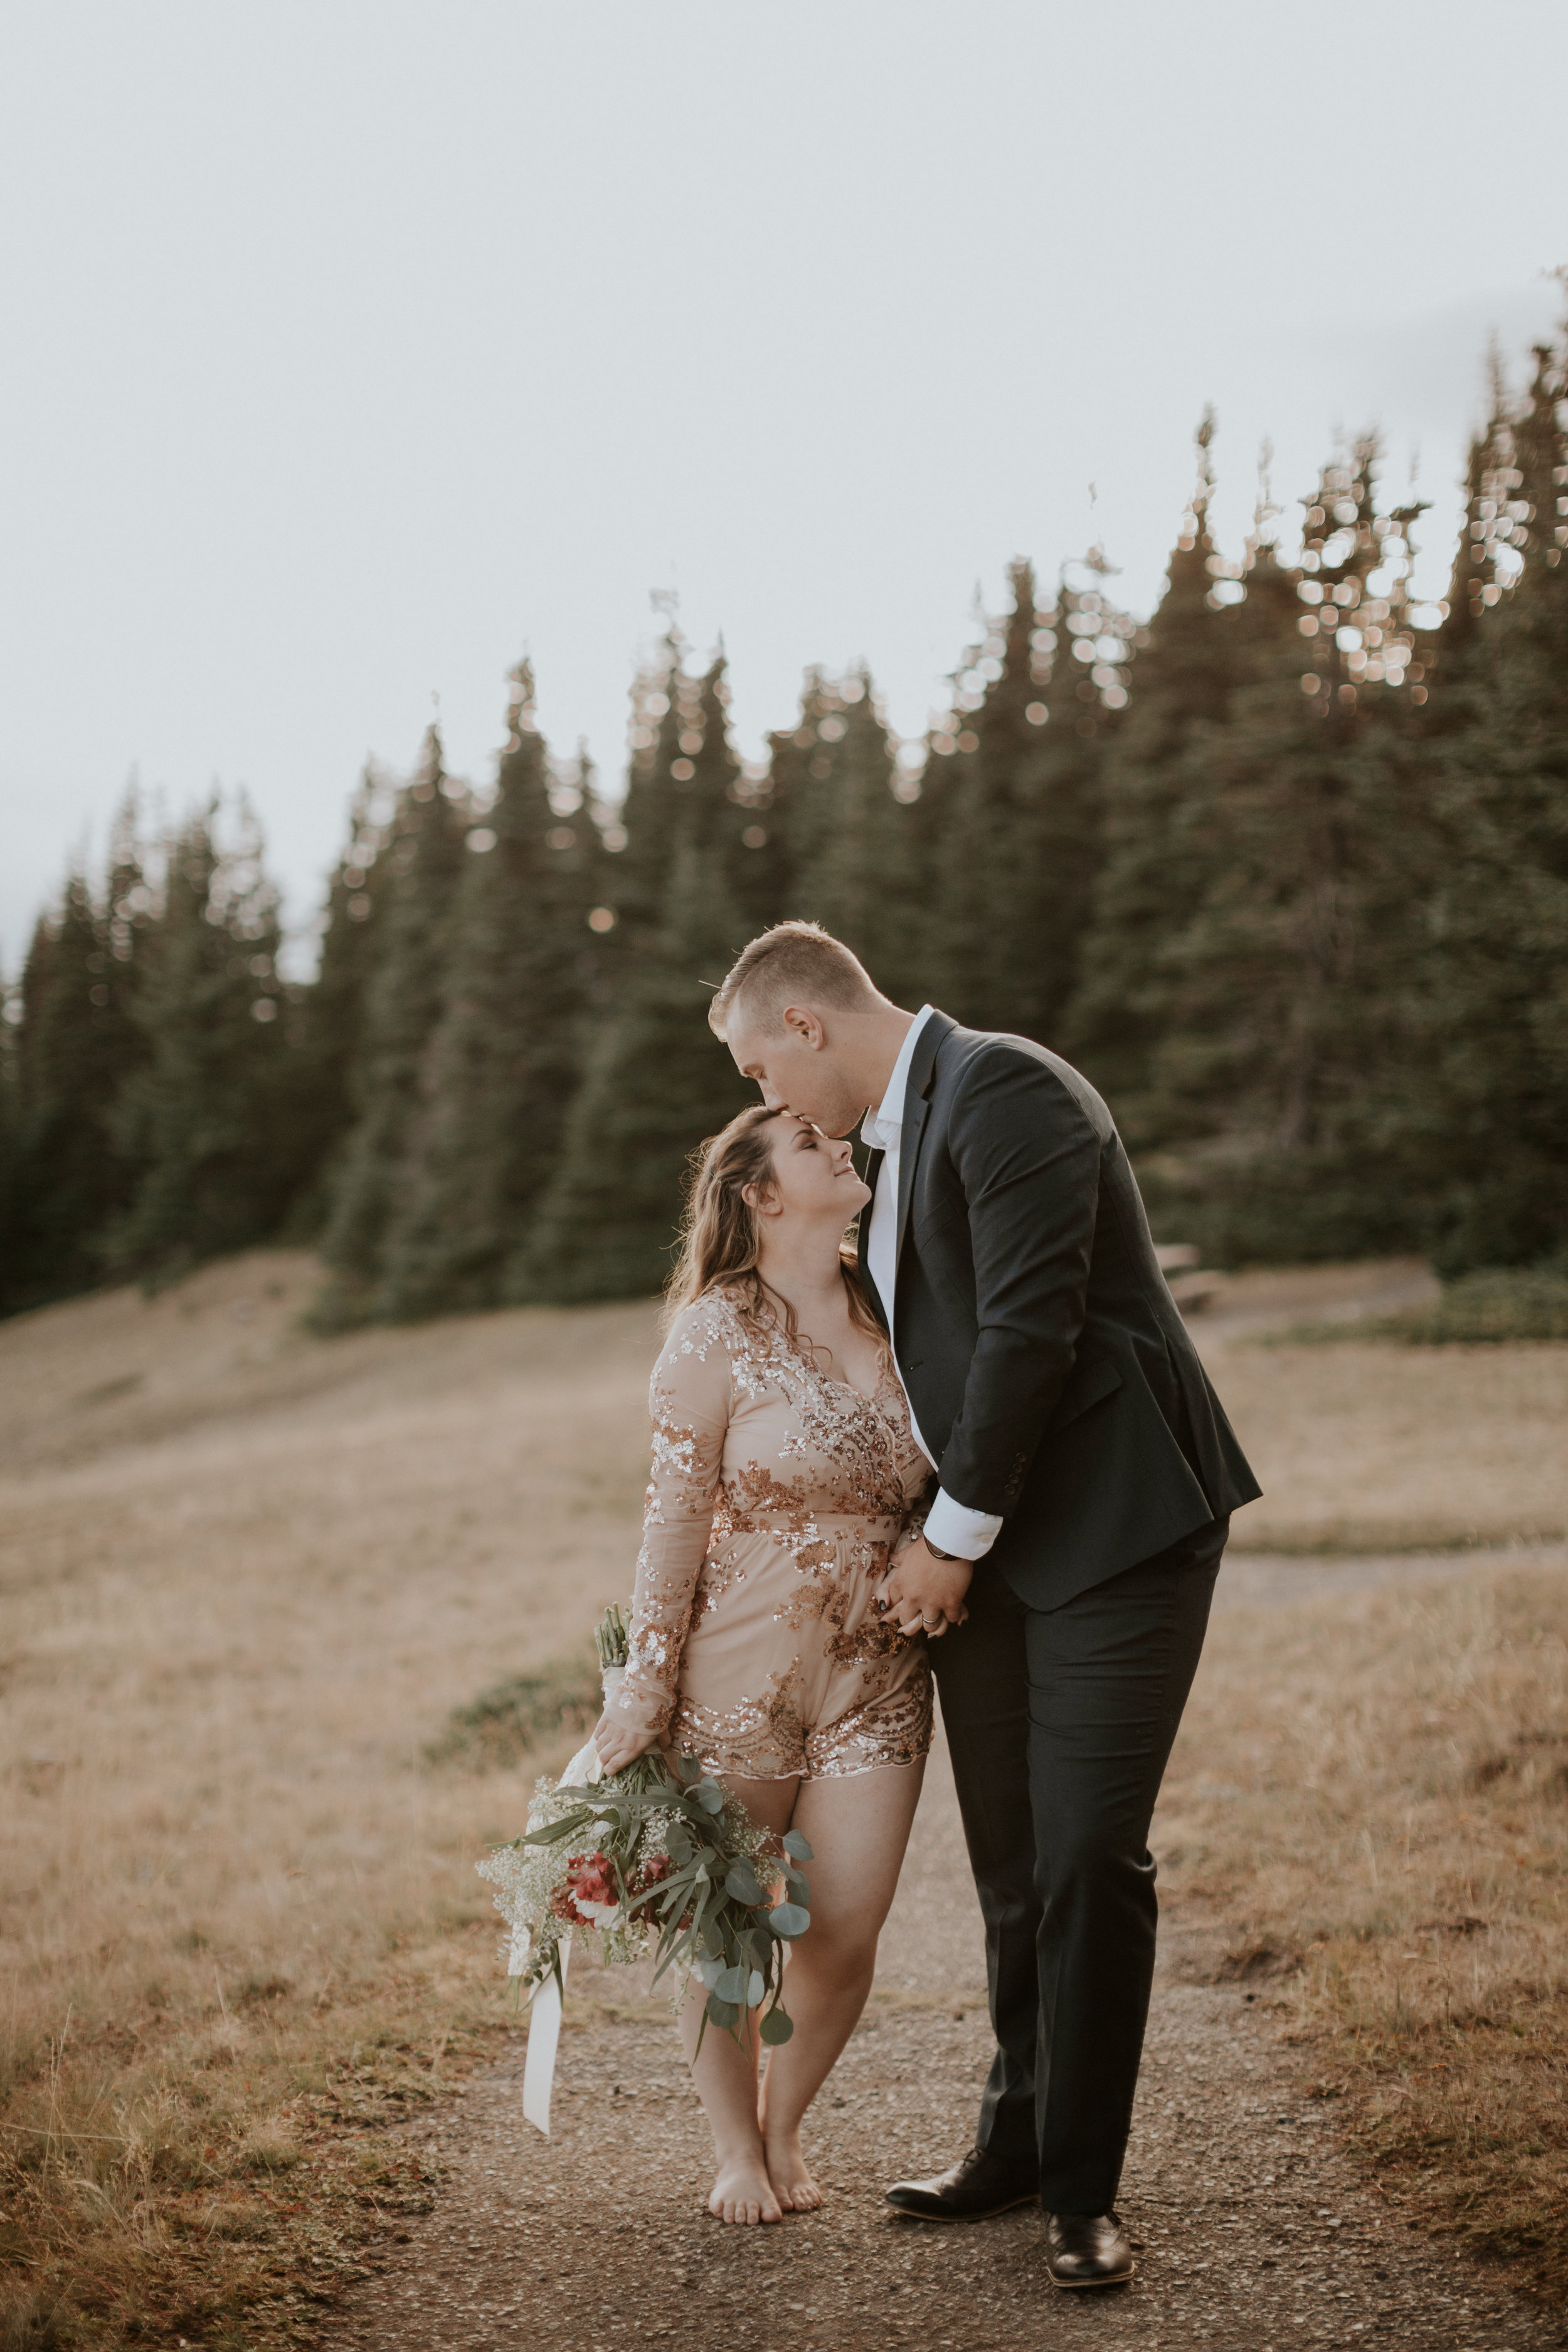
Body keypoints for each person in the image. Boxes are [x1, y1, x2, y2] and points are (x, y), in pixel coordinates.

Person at [708, 921, 1261, 2291]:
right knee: (1012, 1861)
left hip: (1115, 1532)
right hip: (999, 1548)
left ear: (805, 1026)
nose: (765, 1104)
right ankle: (1011, 2143)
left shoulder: (1006, 1089)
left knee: (1085, 1857)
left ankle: (1081, 2189)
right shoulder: (884, 1147)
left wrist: (945, 1545)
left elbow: (1030, 1328)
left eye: (756, 1066)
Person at [593, 1102, 935, 2227]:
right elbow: (671, 1518)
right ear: (760, 1193)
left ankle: (788, 2125)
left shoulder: (899, 1306)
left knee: (845, 1923)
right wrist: (645, 1682)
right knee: (731, 1928)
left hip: (879, 1674)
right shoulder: (713, 1331)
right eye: (806, 1143)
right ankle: (735, 2148)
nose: (840, 1145)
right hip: (735, 1676)